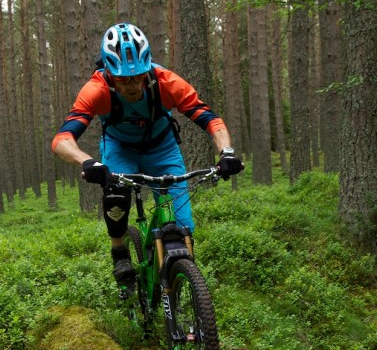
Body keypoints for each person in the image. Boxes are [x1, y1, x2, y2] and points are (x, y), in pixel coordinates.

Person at [52, 22, 244, 285]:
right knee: (116, 194)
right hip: (119, 149)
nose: (132, 85)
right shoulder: (96, 89)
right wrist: (87, 161)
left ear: (148, 69)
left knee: (183, 225)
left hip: (162, 149)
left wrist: (227, 152)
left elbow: (211, 120)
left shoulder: (166, 82)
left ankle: (182, 287)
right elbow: (62, 139)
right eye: (122, 78)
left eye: (139, 76)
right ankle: (119, 251)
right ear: (109, 72)